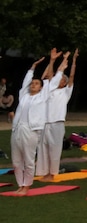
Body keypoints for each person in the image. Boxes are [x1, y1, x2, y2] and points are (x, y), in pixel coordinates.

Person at [10, 54, 51, 195]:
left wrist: (51, 61)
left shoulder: (42, 97)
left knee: (28, 159)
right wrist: (33, 67)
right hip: (18, 129)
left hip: (31, 130)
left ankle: (27, 186)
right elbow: (26, 81)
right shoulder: (24, 95)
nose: (33, 85)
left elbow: (48, 81)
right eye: (32, 83)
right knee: (16, 161)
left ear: (41, 88)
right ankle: (20, 184)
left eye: (36, 83)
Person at [37, 49, 74, 180]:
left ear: (64, 83)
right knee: (43, 148)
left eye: (61, 80)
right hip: (44, 122)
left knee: (55, 148)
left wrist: (71, 60)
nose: (58, 81)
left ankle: (52, 173)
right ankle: (44, 172)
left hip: (57, 122)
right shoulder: (48, 90)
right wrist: (52, 60)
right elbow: (47, 75)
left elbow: (70, 77)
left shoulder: (66, 92)